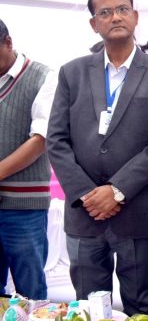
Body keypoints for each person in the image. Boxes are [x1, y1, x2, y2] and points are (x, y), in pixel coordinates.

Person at [47, 0, 148, 316]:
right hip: (85, 213)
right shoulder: (72, 72)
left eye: (122, 10)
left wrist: (117, 191)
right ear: (94, 24)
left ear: (135, 16)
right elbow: (56, 140)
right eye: (105, 12)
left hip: (138, 210)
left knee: (139, 306)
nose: (115, 17)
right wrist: (87, 195)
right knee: (89, 307)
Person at [0, 19, 57, 300]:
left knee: (30, 291)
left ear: (8, 43)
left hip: (23, 205)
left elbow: (41, 140)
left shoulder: (43, 77)